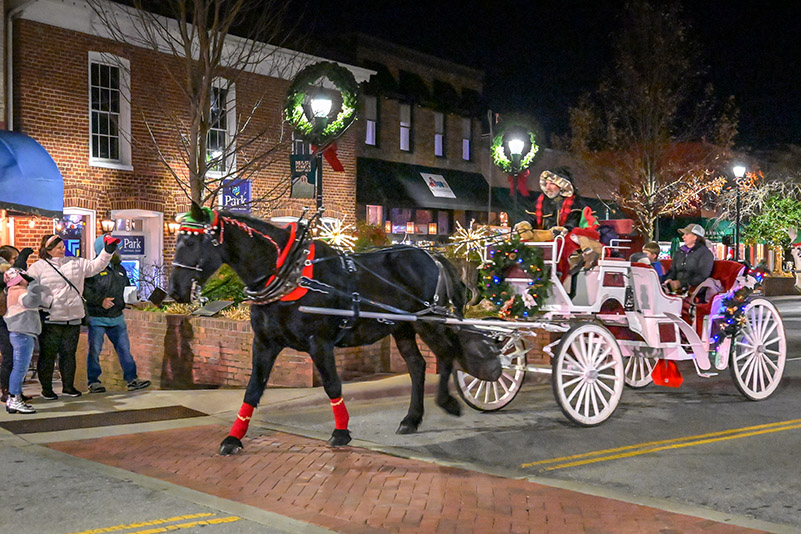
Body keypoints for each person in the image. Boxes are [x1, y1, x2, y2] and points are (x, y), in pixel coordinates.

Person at [26, 234, 117, 400]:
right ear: (48, 249)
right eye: (58, 247)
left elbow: (96, 266)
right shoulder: (38, 268)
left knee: (69, 353)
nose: (62, 250)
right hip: (50, 318)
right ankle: (47, 389)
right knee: (48, 354)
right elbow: (31, 290)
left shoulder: (75, 263)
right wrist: (45, 303)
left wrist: (108, 251)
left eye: (63, 246)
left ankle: (68, 386)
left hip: (73, 317)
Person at [84, 235, 150, 393]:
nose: (117, 251)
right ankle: (93, 381)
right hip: (97, 318)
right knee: (95, 351)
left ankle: (132, 379)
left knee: (124, 349)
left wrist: (134, 300)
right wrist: (100, 301)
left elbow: (126, 287)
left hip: (117, 317)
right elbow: (85, 291)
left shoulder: (119, 268)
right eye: (113, 247)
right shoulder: (92, 268)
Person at [4, 267, 52, 414]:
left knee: (19, 367)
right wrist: (34, 285)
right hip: (23, 334)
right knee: (20, 368)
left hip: (21, 333)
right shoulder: (18, 292)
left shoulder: (12, 291)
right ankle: (14, 399)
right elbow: (32, 301)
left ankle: (13, 399)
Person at [0, 245, 34, 403]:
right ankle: (7, 390)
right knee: (9, 356)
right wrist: (21, 262)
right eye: (14, 259)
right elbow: (12, 277)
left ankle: (16, 391)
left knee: (18, 357)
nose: (16, 262)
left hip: (14, 317)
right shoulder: (4, 273)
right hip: (3, 319)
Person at [662, 224, 714, 294]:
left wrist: (681, 283)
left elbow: (702, 275)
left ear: (695, 237)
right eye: (683, 234)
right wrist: (669, 280)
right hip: (676, 288)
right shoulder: (679, 251)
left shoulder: (705, 253)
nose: (683, 237)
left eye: (687, 234)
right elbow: (673, 270)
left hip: (694, 289)